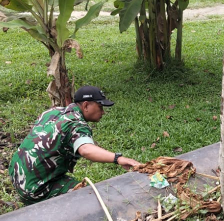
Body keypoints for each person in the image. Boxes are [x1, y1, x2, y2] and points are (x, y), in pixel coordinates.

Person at [9, 85, 141, 204]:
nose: (103, 112)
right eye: (100, 107)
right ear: (85, 106)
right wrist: (118, 158)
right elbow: (86, 150)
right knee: (88, 197)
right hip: (36, 187)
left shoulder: (52, 112)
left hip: (16, 174)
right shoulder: (76, 124)